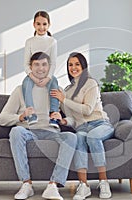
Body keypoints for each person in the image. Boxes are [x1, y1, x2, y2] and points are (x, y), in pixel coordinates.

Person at [0, 52, 77, 200]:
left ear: (49, 67)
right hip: (29, 130)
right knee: (16, 131)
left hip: (51, 131)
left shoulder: (58, 90)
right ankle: (26, 184)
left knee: (71, 137)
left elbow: (74, 119)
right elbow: (2, 118)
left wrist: (62, 119)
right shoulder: (19, 90)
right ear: (30, 67)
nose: (40, 69)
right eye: (36, 64)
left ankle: (53, 185)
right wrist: (21, 116)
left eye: (44, 64)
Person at [51, 52, 114, 200]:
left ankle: (103, 182)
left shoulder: (91, 83)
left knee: (92, 137)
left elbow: (88, 109)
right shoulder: (66, 90)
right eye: (70, 65)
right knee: (78, 137)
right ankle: (83, 185)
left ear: (83, 66)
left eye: (77, 64)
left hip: (100, 123)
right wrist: (63, 121)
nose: (73, 68)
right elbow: (73, 118)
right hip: (81, 127)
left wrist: (64, 100)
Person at [22, 10, 59, 128]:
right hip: (33, 75)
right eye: (38, 24)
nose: (41, 27)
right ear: (34, 25)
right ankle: (31, 114)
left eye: (44, 24)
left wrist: (48, 78)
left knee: (54, 82)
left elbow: (53, 63)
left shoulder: (52, 41)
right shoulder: (30, 42)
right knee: (26, 83)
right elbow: (26, 64)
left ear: (49, 25)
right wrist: (33, 77)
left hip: (46, 75)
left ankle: (53, 114)